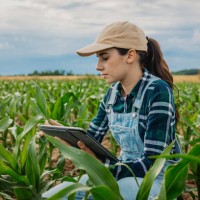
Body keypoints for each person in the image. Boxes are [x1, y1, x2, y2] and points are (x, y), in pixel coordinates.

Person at [42, 21, 181, 200]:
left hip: (156, 184)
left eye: (105, 57)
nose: (98, 66)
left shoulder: (157, 91)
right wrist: (70, 140)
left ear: (130, 55)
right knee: (54, 196)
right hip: (121, 175)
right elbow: (92, 140)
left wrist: (102, 165)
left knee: (95, 194)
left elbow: (153, 164)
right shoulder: (112, 95)